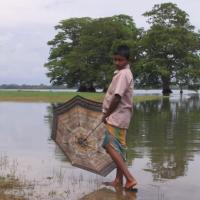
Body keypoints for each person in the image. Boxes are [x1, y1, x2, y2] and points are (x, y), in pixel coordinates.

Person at [102, 44, 137, 190]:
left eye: (120, 60)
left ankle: (129, 178)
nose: (117, 62)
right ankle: (118, 180)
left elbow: (117, 97)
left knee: (109, 145)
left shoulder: (123, 74)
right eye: (115, 59)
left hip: (116, 116)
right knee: (119, 149)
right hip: (122, 116)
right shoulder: (124, 72)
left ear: (128, 60)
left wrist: (107, 114)